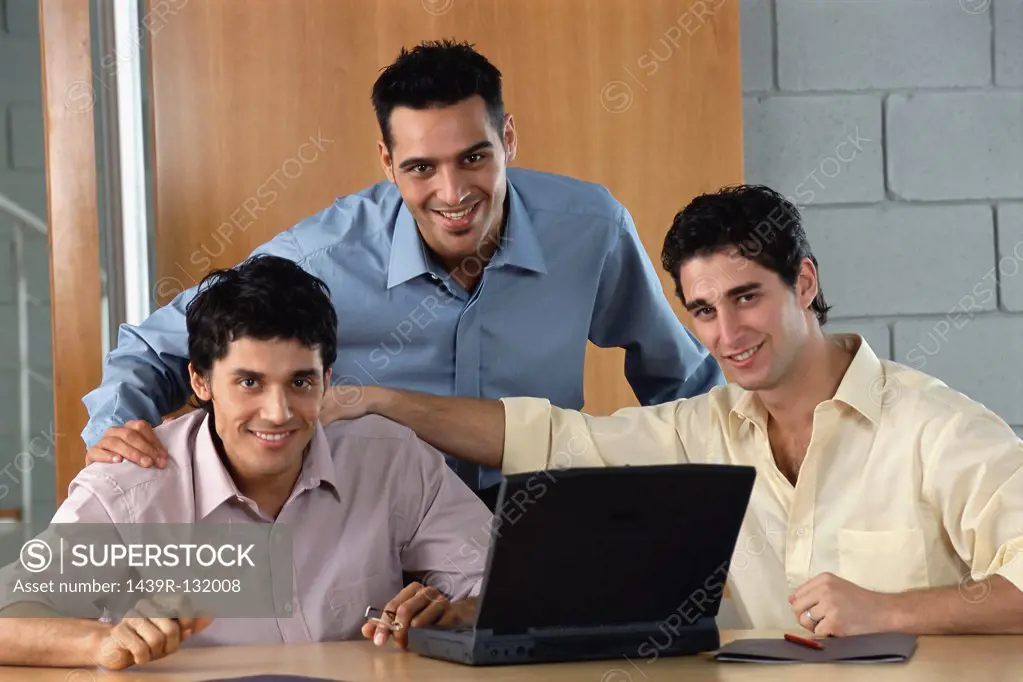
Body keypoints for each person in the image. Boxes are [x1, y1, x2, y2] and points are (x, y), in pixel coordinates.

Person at [319, 184, 1023, 637]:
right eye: (703, 311)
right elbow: (545, 437)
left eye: (747, 297)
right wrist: (377, 400)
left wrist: (891, 611)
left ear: (802, 283)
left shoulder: (934, 427)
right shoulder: (697, 429)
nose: (726, 334)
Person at [80, 39, 723, 505]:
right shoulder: (321, 257)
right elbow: (153, 347)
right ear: (387, 162)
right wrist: (117, 431)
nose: (452, 191)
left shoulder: (590, 228)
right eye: (421, 168)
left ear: (510, 140)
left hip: (542, 514)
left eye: (474, 157)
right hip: (383, 526)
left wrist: (724, 503)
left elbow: (682, 381)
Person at [0, 255, 490, 670]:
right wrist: (98, 642)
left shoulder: (391, 460)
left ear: (326, 378)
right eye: (249, 382)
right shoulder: (128, 490)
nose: (278, 414)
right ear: (201, 382)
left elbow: (509, 588)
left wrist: (453, 612)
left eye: (300, 382)